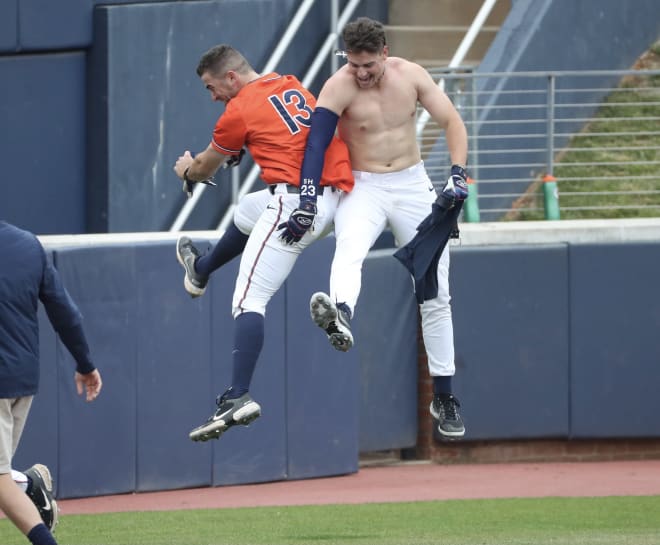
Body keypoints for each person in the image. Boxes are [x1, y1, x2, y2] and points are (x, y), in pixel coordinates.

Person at [173, 44, 353, 442]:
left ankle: (238, 396)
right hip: (330, 201)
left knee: (247, 301)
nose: (213, 95)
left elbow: (204, 167)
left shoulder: (236, 109)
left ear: (231, 77)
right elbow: (286, 133)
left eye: (211, 86)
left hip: (294, 206)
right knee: (246, 209)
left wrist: (187, 169)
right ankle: (200, 269)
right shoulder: (287, 83)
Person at [300, 17, 469, 439]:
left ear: (385, 53)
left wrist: (458, 173)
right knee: (349, 249)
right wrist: (306, 194)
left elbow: (452, 121)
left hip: (412, 183)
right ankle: (339, 315)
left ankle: (444, 396)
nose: (361, 73)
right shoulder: (338, 86)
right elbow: (316, 143)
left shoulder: (410, 75)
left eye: (369, 64)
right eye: (354, 63)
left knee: (436, 292)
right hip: (364, 184)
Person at [0, 220, 103, 545]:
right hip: (21, 381)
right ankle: (28, 485)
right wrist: (85, 363)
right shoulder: (27, 244)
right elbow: (64, 312)